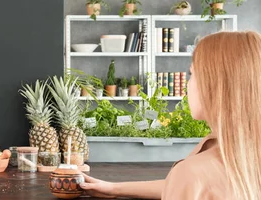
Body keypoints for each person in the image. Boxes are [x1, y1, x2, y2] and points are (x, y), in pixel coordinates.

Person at [78, 31, 261, 200]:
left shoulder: (192, 172)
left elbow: (191, 182)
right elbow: (195, 186)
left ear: (213, 85)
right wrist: (114, 188)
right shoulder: (243, 158)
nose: (186, 86)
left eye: (192, 74)